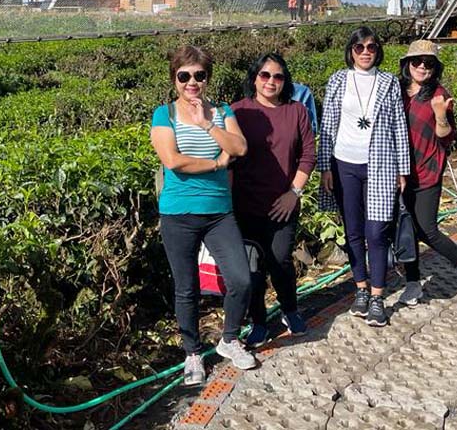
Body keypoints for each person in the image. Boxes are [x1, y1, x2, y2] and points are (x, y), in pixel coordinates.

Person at [149, 46, 256, 384]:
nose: (192, 82)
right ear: (174, 79)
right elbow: (173, 160)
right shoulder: (163, 114)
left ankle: (229, 339)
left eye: (199, 75)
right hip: (178, 213)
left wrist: (208, 125)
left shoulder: (221, 111)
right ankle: (193, 353)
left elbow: (240, 148)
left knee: (241, 278)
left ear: (207, 78)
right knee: (186, 288)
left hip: (218, 212)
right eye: (184, 76)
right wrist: (215, 164)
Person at [318, 26, 410, 328]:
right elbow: (328, 124)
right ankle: (360, 288)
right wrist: (325, 167)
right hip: (344, 163)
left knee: (377, 232)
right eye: (359, 47)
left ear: (378, 50)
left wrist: (402, 169)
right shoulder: (338, 80)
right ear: (351, 51)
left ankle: (378, 296)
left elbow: (399, 125)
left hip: (380, 164)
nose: (366, 52)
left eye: (371, 46)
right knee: (354, 231)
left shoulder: (389, 83)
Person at [232, 53, 317, 347]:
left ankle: (290, 310)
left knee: (280, 260)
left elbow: (308, 156)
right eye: (265, 75)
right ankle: (258, 321)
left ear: (285, 81)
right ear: (254, 78)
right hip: (245, 205)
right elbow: (226, 158)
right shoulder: (238, 112)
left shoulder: (297, 112)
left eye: (278, 76)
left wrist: (293, 194)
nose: (271, 81)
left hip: (284, 203)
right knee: (252, 268)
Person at [396, 40, 457, 309]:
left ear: (436, 68)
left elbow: (446, 139)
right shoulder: (396, 90)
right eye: (417, 61)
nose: (423, 66)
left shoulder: (439, 94)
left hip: (426, 171)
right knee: (404, 229)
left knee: (427, 230)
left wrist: (440, 115)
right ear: (407, 65)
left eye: (429, 63)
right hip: (397, 172)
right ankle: (413, 282)